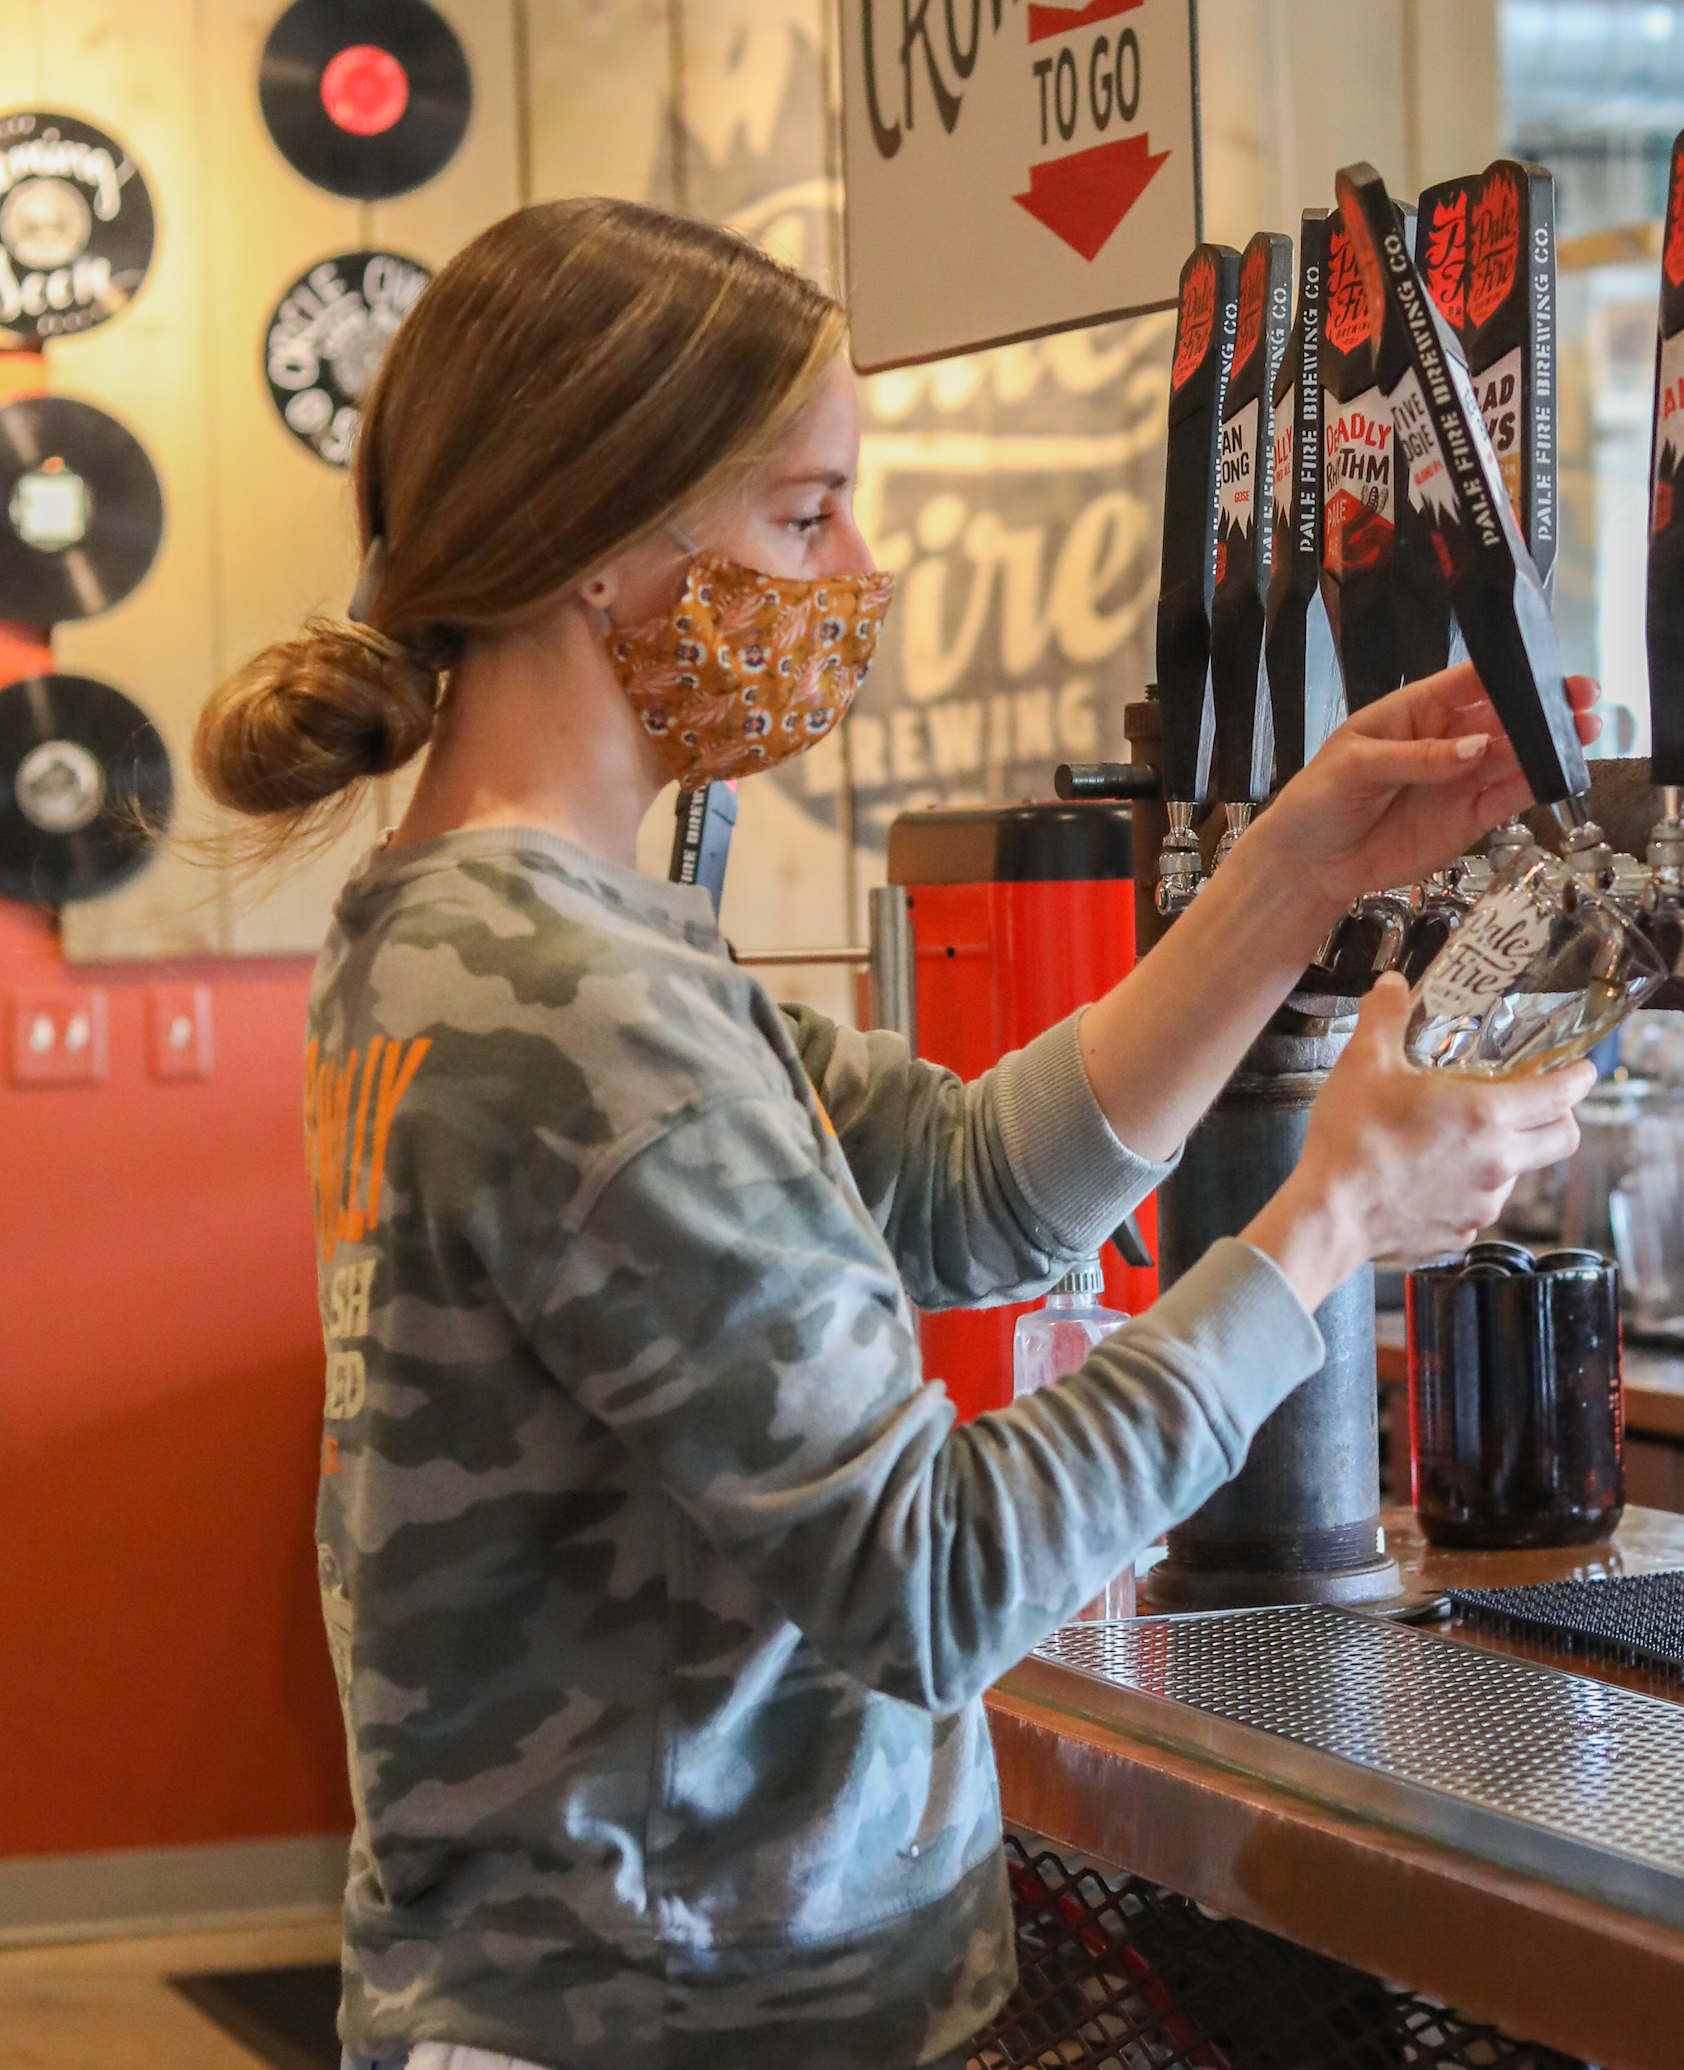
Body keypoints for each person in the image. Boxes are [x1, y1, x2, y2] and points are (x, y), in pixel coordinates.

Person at [196, 199, 1599, 2070]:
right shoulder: (564, 1000)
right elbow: (931, 1579)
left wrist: (1292, 875)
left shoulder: (474, 927)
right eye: (805, 513)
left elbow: (958, 1187)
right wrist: (1330, 1225)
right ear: (601, 550)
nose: (862, 565)